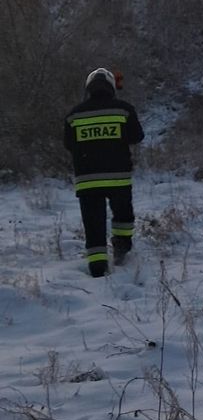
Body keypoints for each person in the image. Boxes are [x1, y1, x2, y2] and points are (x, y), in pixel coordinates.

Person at [63, 68, 145, 278]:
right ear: (111, 86)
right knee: (123, 217)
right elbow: (137, 136)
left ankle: (97, 268)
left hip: (87, 181)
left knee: (93, 224)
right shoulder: (124, 110)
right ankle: (121, 248)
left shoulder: (74, 115)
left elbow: (68, 144)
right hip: (119, 177)